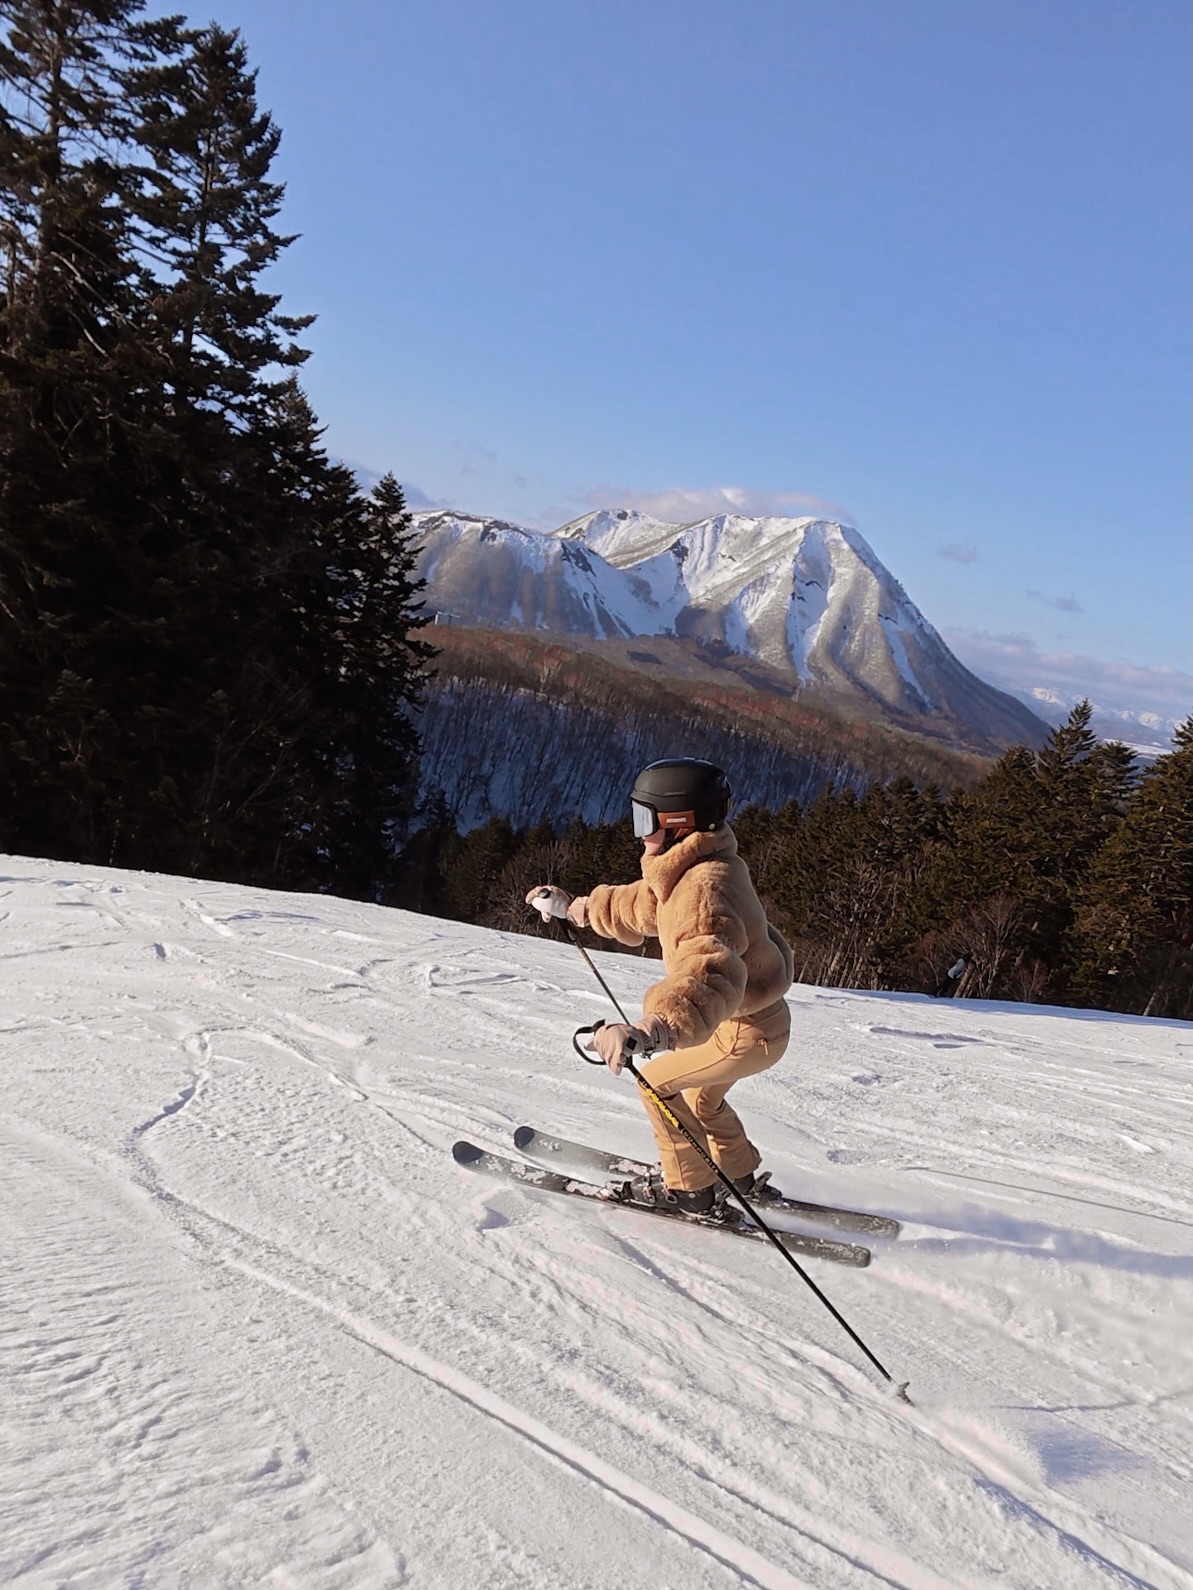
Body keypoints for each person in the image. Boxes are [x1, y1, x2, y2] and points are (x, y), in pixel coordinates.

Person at [526, 758, 794, 1217]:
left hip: (743, 1030)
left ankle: (690, 1188)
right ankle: (739, 1174)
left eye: (644, 820)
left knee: (655, 1083)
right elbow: (642, 904)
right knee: (702, 1100)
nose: (638, 832)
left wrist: (653, 1028)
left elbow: (710, 971)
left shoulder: (704, 890)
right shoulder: (694, 867)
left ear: (677, 824)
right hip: (753, 1024)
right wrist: (577, 910)